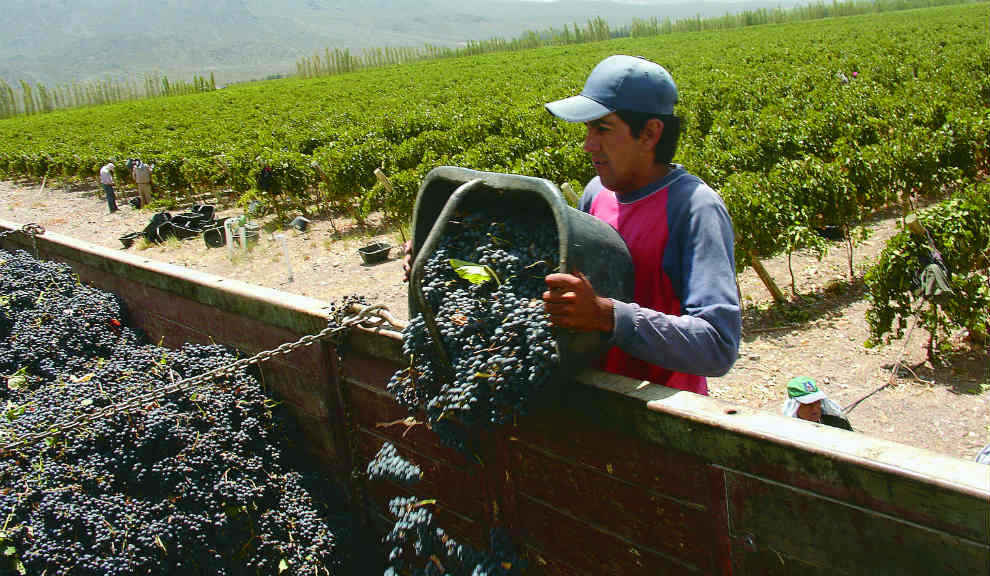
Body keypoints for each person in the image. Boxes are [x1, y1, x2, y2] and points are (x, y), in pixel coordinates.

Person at [539, 55, 741, 395]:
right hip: (596, 398)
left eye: (602, 128)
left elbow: (718, 346)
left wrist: (609, 317)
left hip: (658, 416)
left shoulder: (693, 208)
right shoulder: (595, 193)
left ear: (649, 133)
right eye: (588, 128)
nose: (589, 144)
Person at [781, 376, 853, 430]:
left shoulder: (837, 424)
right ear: (795, 406)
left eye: (817, 402)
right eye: (808, 404)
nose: (814, 409)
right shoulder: (787, 433)